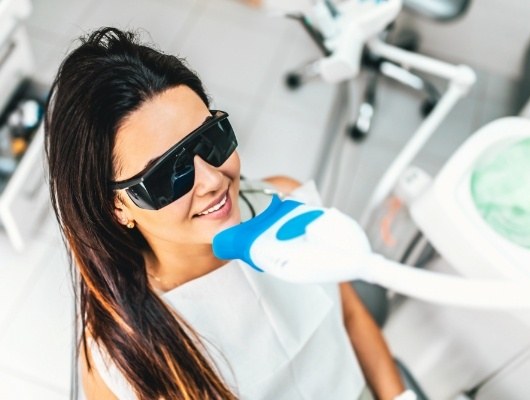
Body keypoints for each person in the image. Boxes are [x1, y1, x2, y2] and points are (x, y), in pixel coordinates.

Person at [45, 27, 408, 399]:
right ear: (117, 206)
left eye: (210, 139)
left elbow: (350, 316)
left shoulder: (282, 197)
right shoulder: (118, 359)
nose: (212, 180)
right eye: (168, 174)